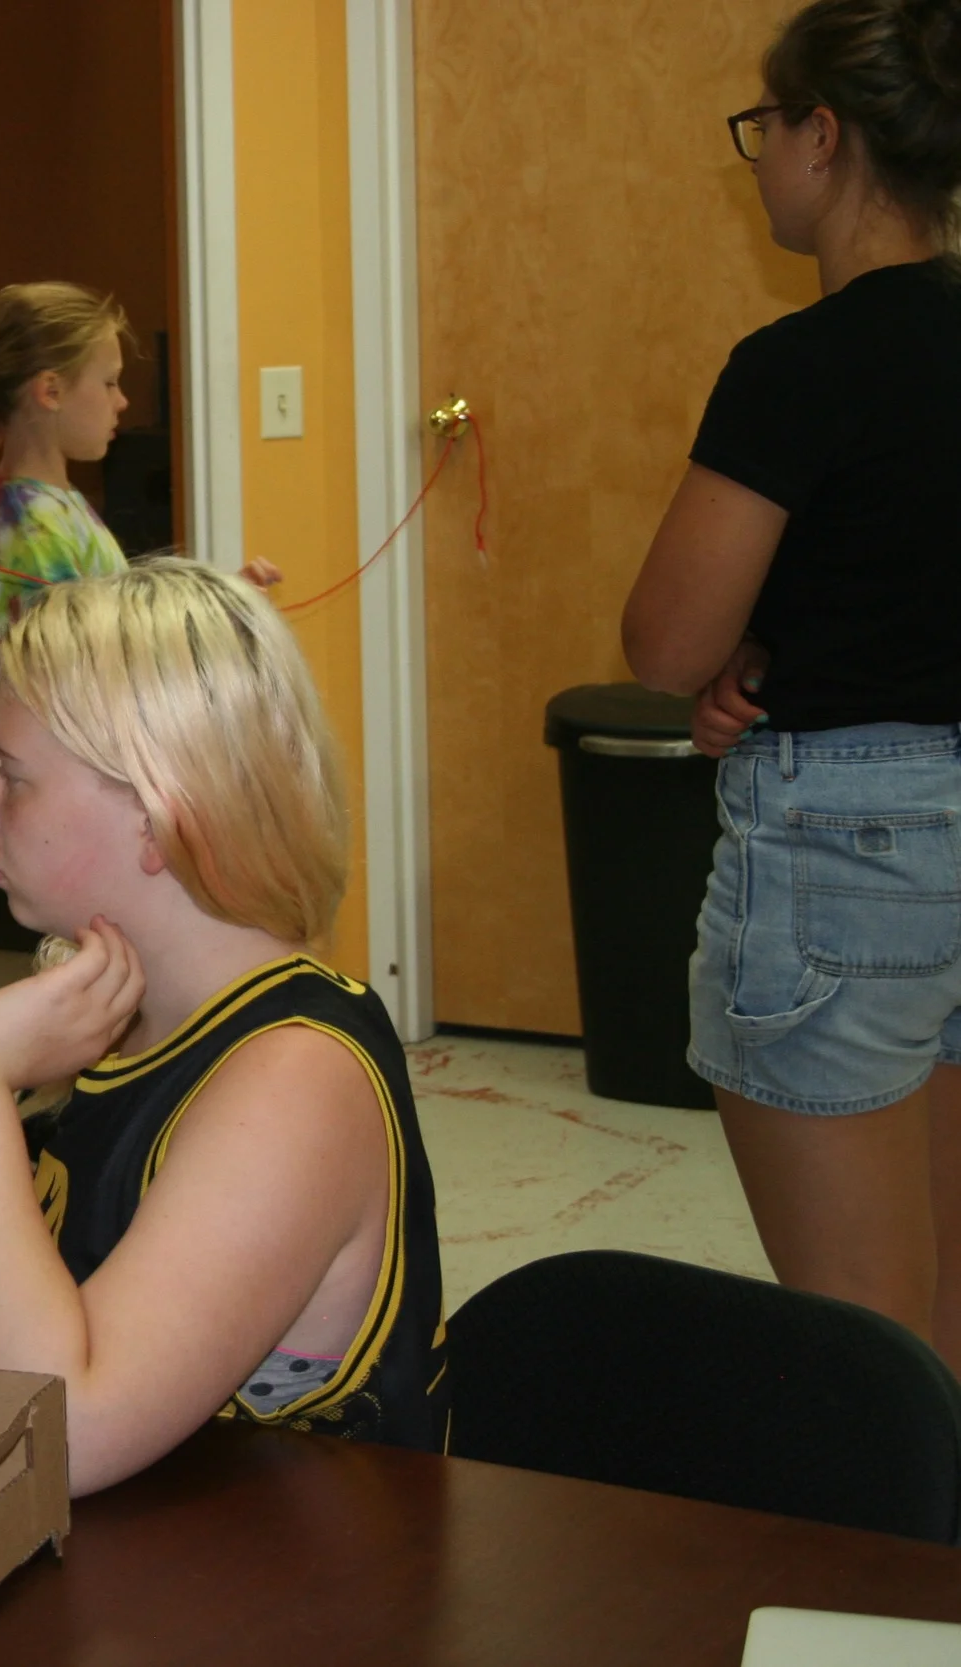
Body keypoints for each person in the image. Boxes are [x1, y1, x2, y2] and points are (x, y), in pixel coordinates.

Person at [0, 562, 447, 1495]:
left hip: (296, 1576)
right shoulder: (114, 1024)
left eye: (13, 775)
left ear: (160, 817)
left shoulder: (296, 1081)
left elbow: (51, 1437)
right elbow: (72, 1329)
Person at [624, 0, 961, 1369]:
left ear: (825, 135)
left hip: (850, 851)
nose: (758, 155)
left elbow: (664, 644)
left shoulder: (798, 368)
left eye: (763, 126)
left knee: (863, 1336)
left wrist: (737, 648)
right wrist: (778, 642)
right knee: (941, 1303)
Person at [0, 283, 280, 681]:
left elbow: (116, 629)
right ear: (51, 391)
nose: (122, 401)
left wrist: (217, 609)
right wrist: (209, 628)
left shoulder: (54, 503)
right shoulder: (32, 526)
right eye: (110, 382)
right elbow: (90, 671)